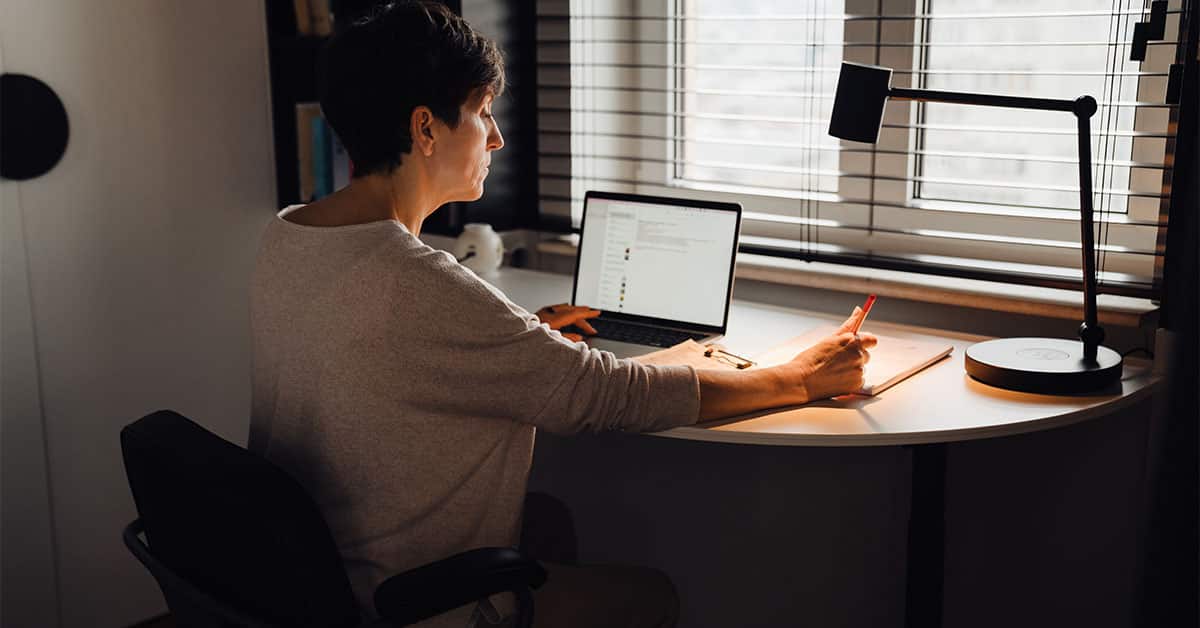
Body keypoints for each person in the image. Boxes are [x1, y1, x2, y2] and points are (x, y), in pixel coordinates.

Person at [248, 2, 876, 627]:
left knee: (549, 520)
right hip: (403, 603)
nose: (496, 138)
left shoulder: (291, 235)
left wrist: (522, 341)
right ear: (426, 128)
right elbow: (610, 394)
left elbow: (382, 360)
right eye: (484, 113)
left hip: (307, 576)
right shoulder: (416, 282)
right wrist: (799, 378)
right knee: (652, 594)